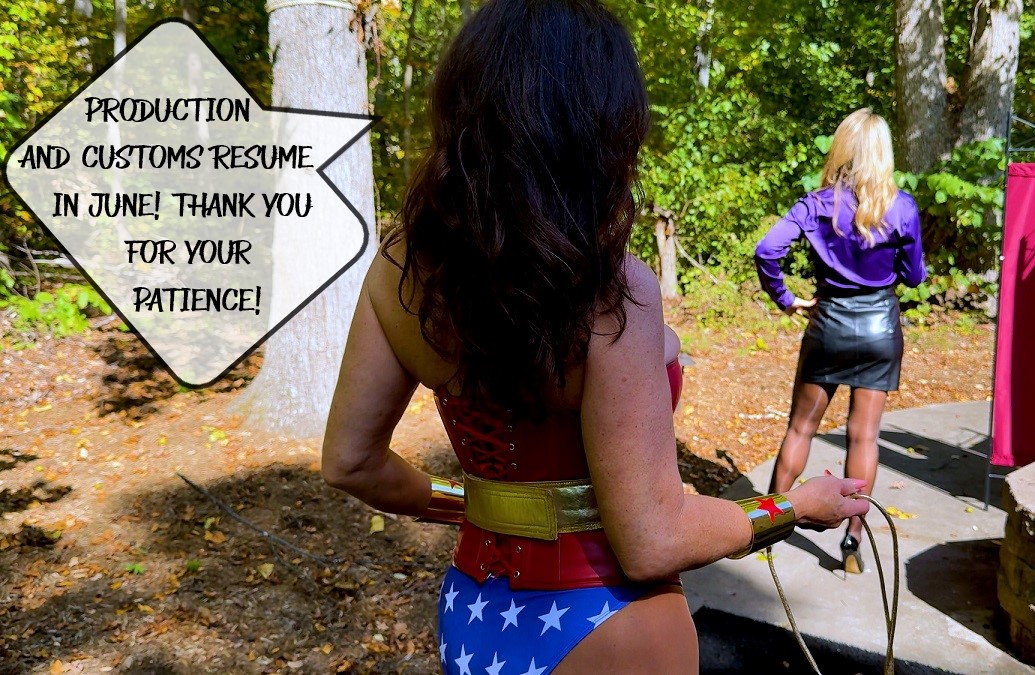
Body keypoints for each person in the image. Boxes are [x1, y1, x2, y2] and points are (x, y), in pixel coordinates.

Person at [321, 1, 868, 672]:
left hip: (474, 615)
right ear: (601, 130)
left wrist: (489, 505)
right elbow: (652, 538)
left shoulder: (399, 265)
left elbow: (350, 462)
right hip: (610, 627)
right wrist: (793, 507)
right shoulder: (612, 292)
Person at [753, 108, 926, 575]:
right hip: (879, 330)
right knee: (864, 436)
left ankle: (766, 529)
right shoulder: (902, 207)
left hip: (828, 325)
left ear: (841, 150)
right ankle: (852, 541)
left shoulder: (816, 205)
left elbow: (767, 249)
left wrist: (785, 298)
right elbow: (914, 277)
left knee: (800, 430)